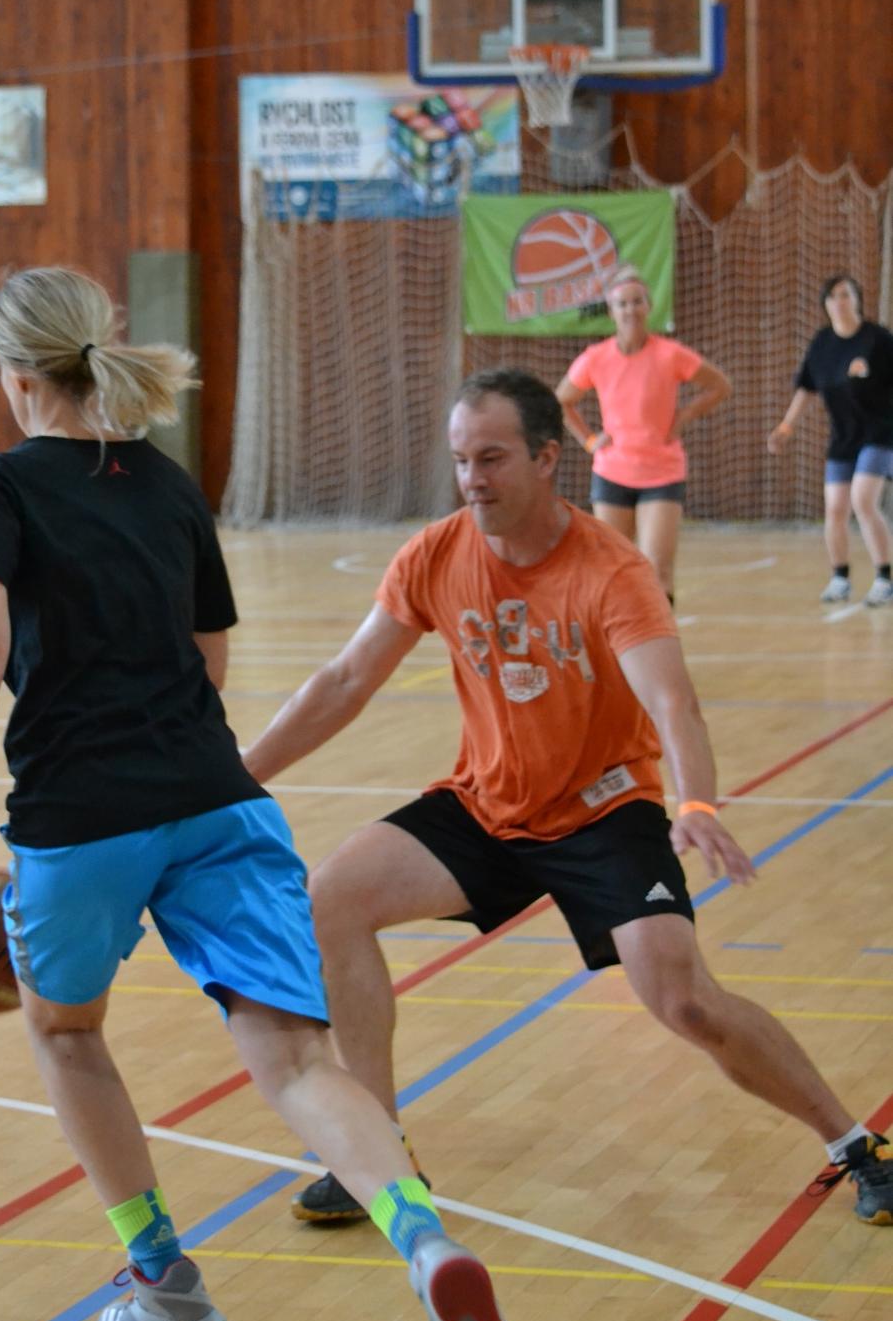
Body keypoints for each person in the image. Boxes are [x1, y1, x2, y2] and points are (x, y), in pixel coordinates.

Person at [0, 268, 529, 1321]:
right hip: (221, 798)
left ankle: (163, 1282)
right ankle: (426, 1242)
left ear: (17, 375)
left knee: (64, 1029)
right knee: (299, 1058)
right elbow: (210, 658)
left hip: (80, 815)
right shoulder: (167, 482)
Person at [242, 368, 893, 1231]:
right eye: (461, 460)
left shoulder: (610, 569)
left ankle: (856, 1146)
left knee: (684, 1001)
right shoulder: (436, 554)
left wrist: (697, 805)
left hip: (603, 814)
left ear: (548, 458)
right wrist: (240, 776)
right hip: (486, 807)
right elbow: (345, 679)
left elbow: (672, 702)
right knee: (330, 899)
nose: (473, 479)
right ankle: (378, 1151)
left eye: (492, 459)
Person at [555, 265, 731, 603]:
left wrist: (685, 415)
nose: (630, 310)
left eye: (637, 302)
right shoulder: (596, 358)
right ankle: (616, 634)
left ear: (649, 306)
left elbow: (720, 385)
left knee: (657, 570)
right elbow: (562, 401)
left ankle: (659, 634)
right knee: (611, 569)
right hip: (612, 473)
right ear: (611, 311)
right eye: (622, 304)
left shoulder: (671, 354)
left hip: (661, 472)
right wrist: (589, 440)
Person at [767, 273, 893, 606]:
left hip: (880, 434)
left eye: (846, 294)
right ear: (825, 304)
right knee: (835, 507)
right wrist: (786, 427)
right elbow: (806, 389)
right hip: (843, 438)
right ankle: (840, 578)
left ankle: (884, 578)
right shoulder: (822, 344)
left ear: (857, 299)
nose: (840, 302)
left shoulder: (878, 339)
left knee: (863, 500)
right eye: (833, 296)